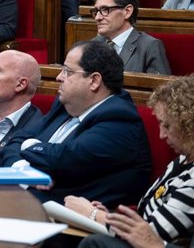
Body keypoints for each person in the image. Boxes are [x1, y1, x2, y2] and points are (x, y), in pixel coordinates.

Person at [0, 40, 152, 207]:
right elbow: (14, 141)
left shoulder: (120, 120)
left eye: (67, 72)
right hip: (26, 201)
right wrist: (23, 170)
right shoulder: (66, 104)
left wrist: (29, 145)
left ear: (94, 81)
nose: (58, 77)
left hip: (68, 220)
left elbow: (63, 159)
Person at [73, 75, 194, 248]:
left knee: (93, 243)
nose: (161, 135)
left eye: (167, 126)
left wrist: (93, 215)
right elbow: (148, 213)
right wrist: (111, 215)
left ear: (189, 126)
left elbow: (151, 237)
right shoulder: (182, 159)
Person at [92, 0, 171, 74]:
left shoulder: (150, 46)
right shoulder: (94, 44)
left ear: (127, 12)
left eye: (105, 9)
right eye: (96, 11)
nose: (97, 17)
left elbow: (159, 86)